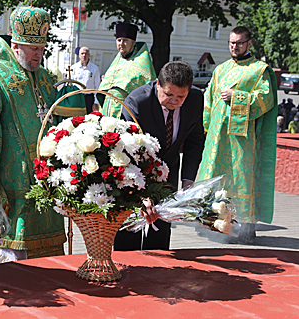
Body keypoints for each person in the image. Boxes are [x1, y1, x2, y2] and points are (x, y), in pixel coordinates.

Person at [0, 6, 66, 262]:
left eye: (41, 48)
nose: (39, 54)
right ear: (16, 45)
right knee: (13, 250)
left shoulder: (45, 77)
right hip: (9, 177)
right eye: (33, 48)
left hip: (44, 179)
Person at [197, 26, 277, 243]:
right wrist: (206, 129)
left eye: (239, 43)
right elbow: (209, 102)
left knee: (242, 180)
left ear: (249, 43)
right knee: (216, 178)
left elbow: (266, 100)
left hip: (243, 141)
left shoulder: (259, 70)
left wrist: (238, 96)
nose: (235, 47)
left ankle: (247, 230)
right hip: (218, 138)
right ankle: (215, 225)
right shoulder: (220, 69)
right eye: (232, 43)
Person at [113, 61, 205, 251]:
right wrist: (140, 195)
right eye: (168, 94)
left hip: (168, 171)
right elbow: (127, 152)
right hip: (135, 173)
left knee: (160, 232)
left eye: (181, 96)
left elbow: (194, 141)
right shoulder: (137, 103)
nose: (174, 101)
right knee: (130, 230)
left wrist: (188, 183)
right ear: (157, 84)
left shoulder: (196, 99)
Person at [97, 22, 156, 118]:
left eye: (125, 40)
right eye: (119, 40)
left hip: (126, 111)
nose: (121, 44)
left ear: (133, 42)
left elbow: (147, 92)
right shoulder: (116, 62)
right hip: (107, 110)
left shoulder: (141, 63)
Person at [70, 46, 100, 114]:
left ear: (89, 55)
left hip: (89, 98)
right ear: (79, 55)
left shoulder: (94, 68)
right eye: (82, 53)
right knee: (76, 117)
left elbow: (97, 86)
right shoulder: (74, 68)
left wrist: (96, 102)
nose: (84, 55)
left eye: (86, 53)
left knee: (88, 118)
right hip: (77, 97)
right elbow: (71, 84)